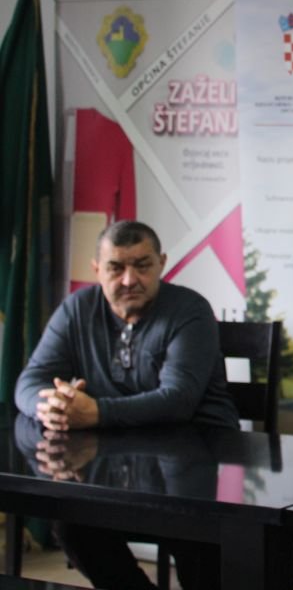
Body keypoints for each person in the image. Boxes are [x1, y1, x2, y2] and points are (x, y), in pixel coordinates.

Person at [15, 219, 238, 590]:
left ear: (161, 263)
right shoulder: (77, 309)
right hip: (113, 464)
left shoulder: (190, 310)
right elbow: (30, 380)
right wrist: (49, 405)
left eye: (142, 265)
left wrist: (96, 412)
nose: (129, 279)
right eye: (116, 268)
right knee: (71, 523)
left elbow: (178, 399)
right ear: (97, 269)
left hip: (193, 462)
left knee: (196, 540)